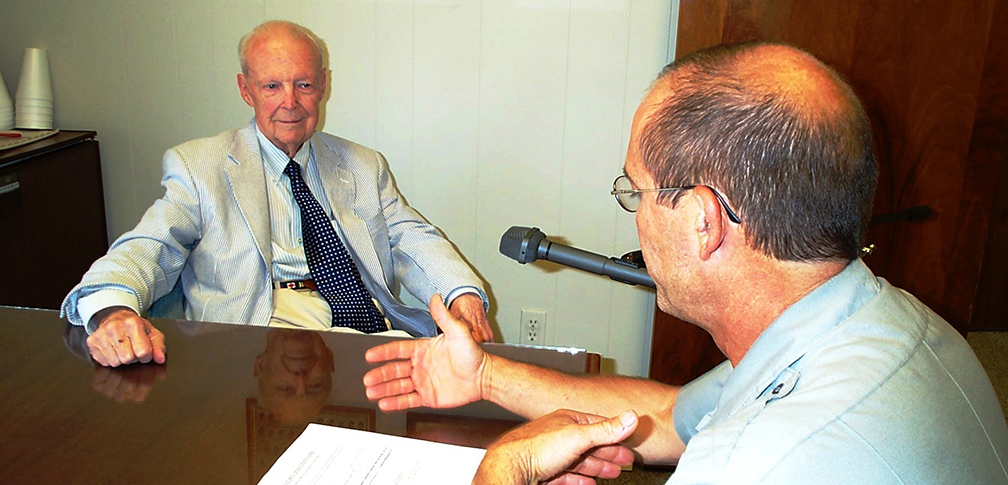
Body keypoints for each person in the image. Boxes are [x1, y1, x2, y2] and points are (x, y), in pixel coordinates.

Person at [363, 42, 1008, 484]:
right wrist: (486, 378)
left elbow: (726, 449)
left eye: (636, 191)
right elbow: (673, 417)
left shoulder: (751, 463)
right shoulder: (894, 321)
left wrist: (504, 469)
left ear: (703, 221)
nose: (634, 216)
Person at [61, 20, 492, 368]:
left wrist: (461, 293)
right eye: (271, 87)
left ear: (322, 85)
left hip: (366, 327)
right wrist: (112, 311)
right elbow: (148, 246)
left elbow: (410, 237)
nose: (290, 102)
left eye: (303, 84)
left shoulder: (363, 164)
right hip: (261, 332)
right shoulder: (199, 167)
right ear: (245, 89)